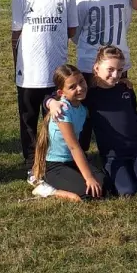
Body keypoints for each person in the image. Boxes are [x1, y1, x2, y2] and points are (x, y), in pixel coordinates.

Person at [12, 0, 79, 181]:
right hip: (29, 73)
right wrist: (18, 67)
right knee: (29, 123)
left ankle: (55, 161)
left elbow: (71, 30)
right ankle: (32, 165)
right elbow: (16, 33)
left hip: (56, 73)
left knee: (55, 120)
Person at [51, 46, 137, 196]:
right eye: (110, 69)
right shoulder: (88, 95)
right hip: (112, 154)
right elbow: (62, 93)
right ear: (96, 68)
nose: (115, 75)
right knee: (126, 191)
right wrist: (50, 102)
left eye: (120, 70)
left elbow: (134, 113)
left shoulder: (125, 88)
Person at [31, 65, 103, 201]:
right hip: (55, 165)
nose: (80, 88)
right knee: (87, 193)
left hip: (72, 161)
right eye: (72, 87)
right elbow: (73, 147)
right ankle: (49, 189)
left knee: (102, 185)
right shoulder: (62, 110)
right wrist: (88, 177)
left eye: (81, 81)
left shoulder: (82, 109)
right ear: (61, 93)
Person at [76, 0, 133, 74]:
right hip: (90, 63)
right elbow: (76, 34)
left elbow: (125, 25)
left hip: (118, 63)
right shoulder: (83, 2)